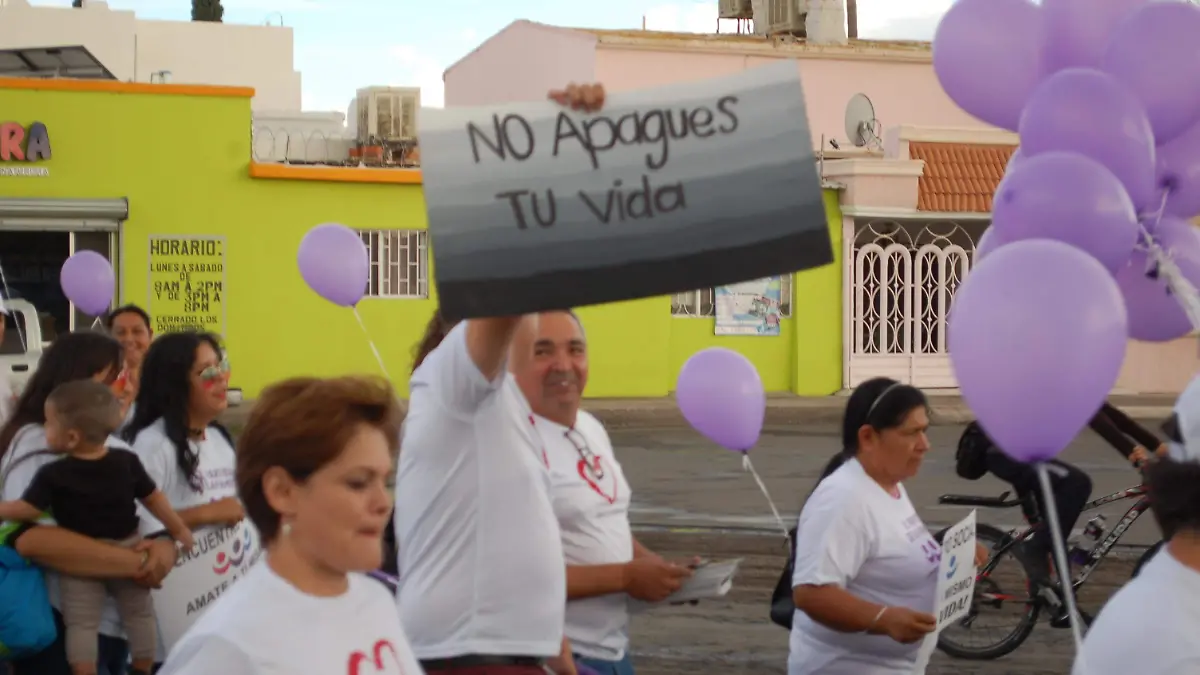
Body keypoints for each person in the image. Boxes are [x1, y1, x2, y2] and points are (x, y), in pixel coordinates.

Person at [394, 83, 604, 675]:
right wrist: (560, 148)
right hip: (468, 656)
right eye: (529, 333)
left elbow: (517, 541)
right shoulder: (454, 387)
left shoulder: (503, 413)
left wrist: (554, 653)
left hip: (515, 651)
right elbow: (513, 280)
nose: (550, 354)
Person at [156, 375, 425, 674]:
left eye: (385, 480)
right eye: (358, 483)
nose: (383, 502)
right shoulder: (230, 645)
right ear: (282, 492)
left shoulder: (376, 602)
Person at [514, 310, 693, 675]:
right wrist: (628, 577)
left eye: (575, 350)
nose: (563, 365)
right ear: (514, 362)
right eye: (543, 351)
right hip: (557, 658)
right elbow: (517, 577)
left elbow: (604, 521)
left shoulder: (590, 427)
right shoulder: (513, 445)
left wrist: (659, 568)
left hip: (613, 651)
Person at [0, 331, 179, 675]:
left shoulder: (110, 448)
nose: (127, 388)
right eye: (116, 378)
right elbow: (32, 539)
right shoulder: (39, 444)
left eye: (128, 376)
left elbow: (153, 523)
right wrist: (137, 562)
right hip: (60, 628)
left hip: (115, 627)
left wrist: (165, 548)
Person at [788, 377, 987, 675]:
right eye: (912, 433)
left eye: (925, 431)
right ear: (868, 437)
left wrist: (955, 561)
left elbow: (893, 556)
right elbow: (811, 593)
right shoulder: (843, 499)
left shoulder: (888, 485)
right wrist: (882, 619)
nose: (925, 445)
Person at [962, 401, 1167, 621]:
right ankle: (1035, 551)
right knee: (1077, 484)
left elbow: (1109, 413)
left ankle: (1060, 600)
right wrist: (1133, 454)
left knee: (1055, 526)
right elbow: (1094, 415)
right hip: (1001, 449)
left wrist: (1159, 448)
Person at [120, 331, 245, 669]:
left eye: (222, 366)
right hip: (170, 632)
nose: (220, 378)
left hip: (220, 621)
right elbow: (131, 528)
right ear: (175, 383)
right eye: (206, 372)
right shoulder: (152, 445)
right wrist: (206, 513)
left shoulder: (219, 439)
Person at [1072, 377, 1200, 674]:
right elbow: (1095, 416)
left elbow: (1116, 418)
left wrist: (1154, 449)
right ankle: (1043, 554)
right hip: (1024, 452)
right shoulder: (1173, 646)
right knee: (1071, 488)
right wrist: (1134, 452)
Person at [105, 306, 153, 428]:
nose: (129, 339)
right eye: (121, 333)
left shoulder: (163, 380)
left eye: (137, 331)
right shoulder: (100, 383)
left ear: (150, 335)